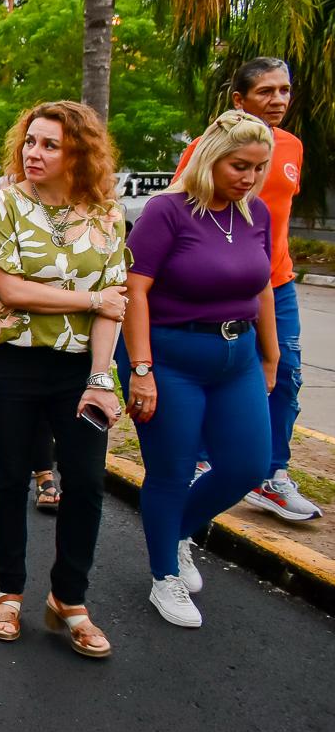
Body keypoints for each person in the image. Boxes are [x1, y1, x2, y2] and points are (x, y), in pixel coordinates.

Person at [0, 101, 127, 659]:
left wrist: (103, 378)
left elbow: (115, 306)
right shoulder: (4, 203)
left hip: (80, 367)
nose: (34, 153)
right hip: (11, 361)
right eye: (30, 141)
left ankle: (70, 600)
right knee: (11, 476)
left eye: (50, 145)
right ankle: (9, 591)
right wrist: (89, 298)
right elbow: (10, 291)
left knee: (85, 481)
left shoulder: (107, 215)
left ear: (77, 153)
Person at [118, 110, 279, 628]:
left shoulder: (256, 215)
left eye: (258, 168)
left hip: (238, 358)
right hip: (171, 357)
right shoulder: (167, 212)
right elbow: (134, 291)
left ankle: (178, 531)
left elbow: (264, 287)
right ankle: (164, 574)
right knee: (172, 468)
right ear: (212, 158)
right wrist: (140, 369)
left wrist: (272, 355)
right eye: (239, 166)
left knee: (249, 465)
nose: (249, 178)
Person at [173, 59, 319, 521]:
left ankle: (273, 476)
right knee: (210, 371)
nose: (278, 100)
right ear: (240, 100)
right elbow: (181, 208)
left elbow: (278, 218)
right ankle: (198, 465)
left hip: (275, 283)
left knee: (285, 375)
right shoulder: (203, 149)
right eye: (266, 92)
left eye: (285, 90)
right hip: (220, 289)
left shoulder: (292, 147)